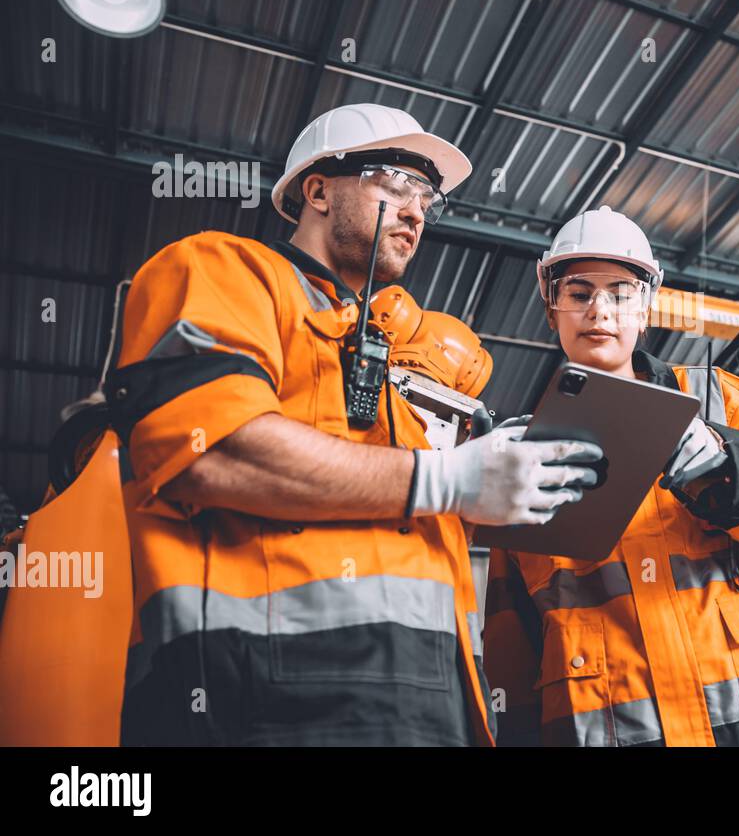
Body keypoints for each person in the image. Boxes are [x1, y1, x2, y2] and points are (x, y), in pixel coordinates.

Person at [105, 103, 602, 746]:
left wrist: (507, 482)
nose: (416, 211)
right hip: (259, 696)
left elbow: (423, 502)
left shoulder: (406, 356)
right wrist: (446, 479)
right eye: (394, 185)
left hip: (435, 699)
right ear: (318, 190)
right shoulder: (224, 273)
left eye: (426, 197)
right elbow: (213, 448)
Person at [483, 206, 739, 746]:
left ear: (645, 309)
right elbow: (512, 640)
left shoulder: (722, 399)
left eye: (620, 293)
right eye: (578, 294)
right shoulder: (524, 459)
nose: (599, 310)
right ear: (553, 311)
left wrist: (723, 464)